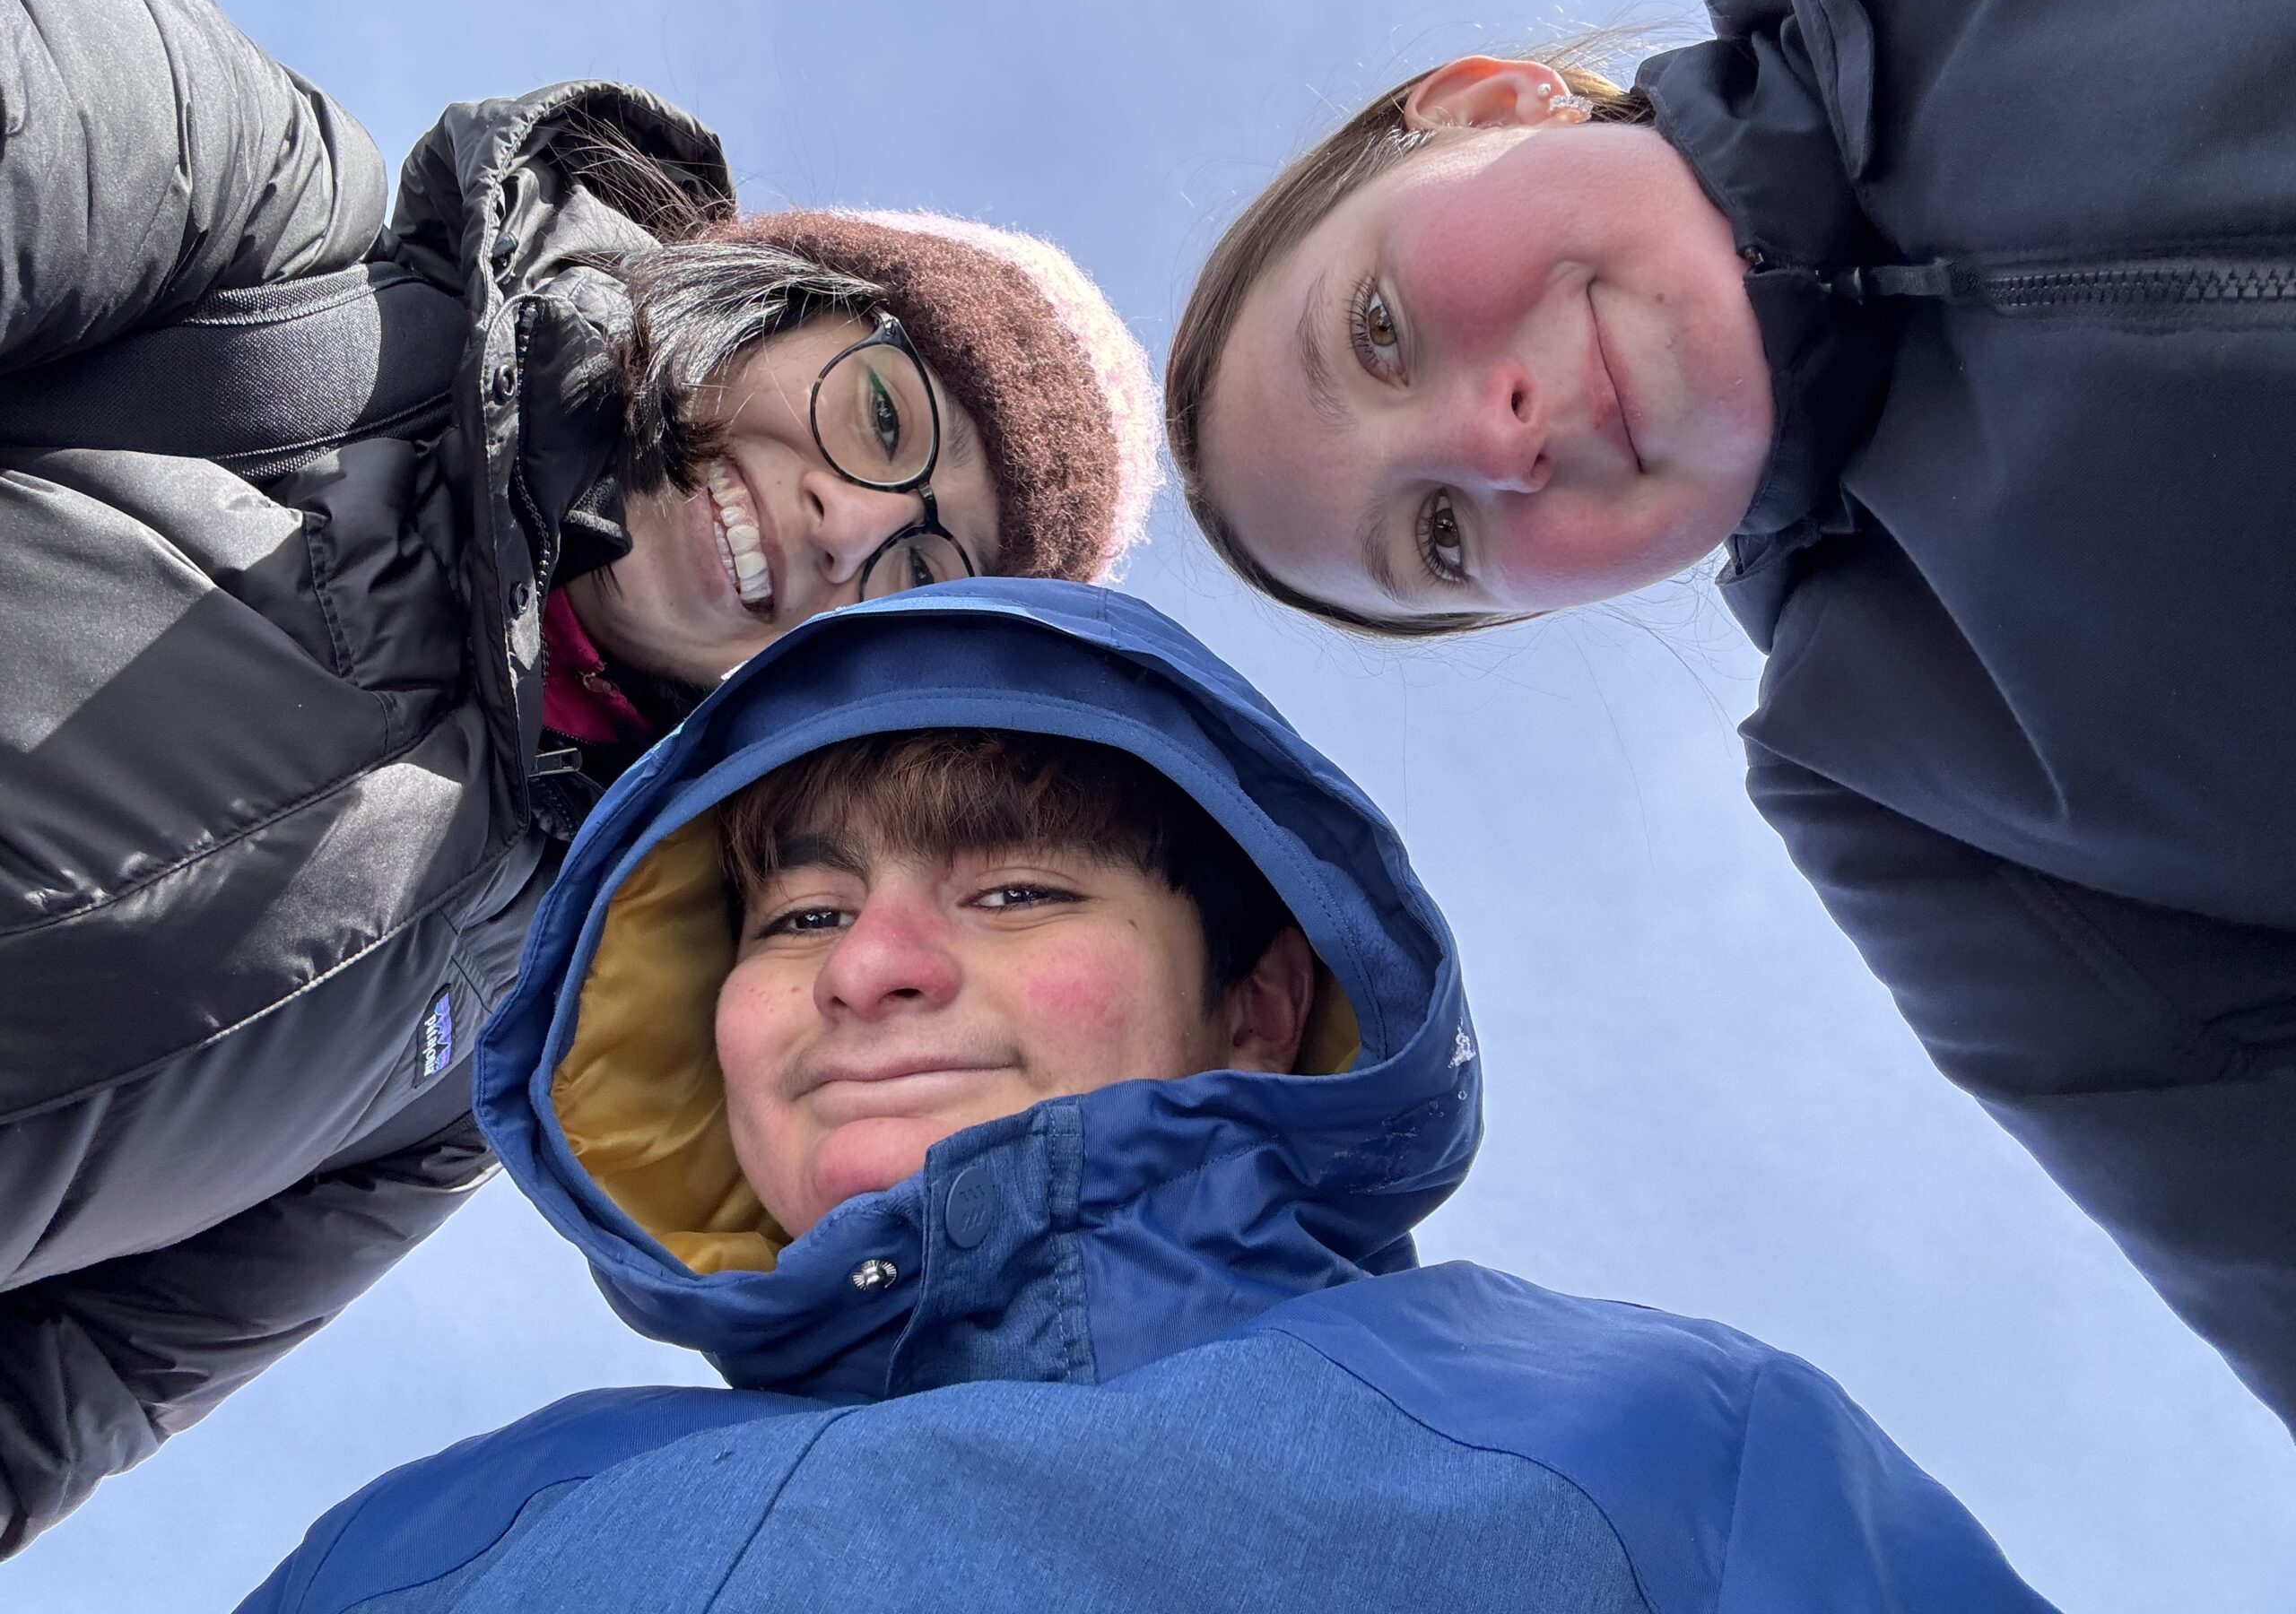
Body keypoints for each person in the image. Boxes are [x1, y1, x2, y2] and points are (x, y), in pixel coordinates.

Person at [0, 0, 1157, 1550]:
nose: (844, 519)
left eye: (918, 569)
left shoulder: (512, 1020)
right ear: (780, 291)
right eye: (883, 411)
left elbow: (92, 1375)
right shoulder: (277, 245)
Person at [240, 581, 2052, 1614]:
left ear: (1256, 1005)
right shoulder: (422, 1535)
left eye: (1014, 889)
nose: (869, 966)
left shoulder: (1663, 1434)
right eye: (797, 912)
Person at [1164, 0, 2296, 1427]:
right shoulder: (1906, 791)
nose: (1487, 443)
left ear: (1486, 103)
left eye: (1376, 329)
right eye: (1438, 538)